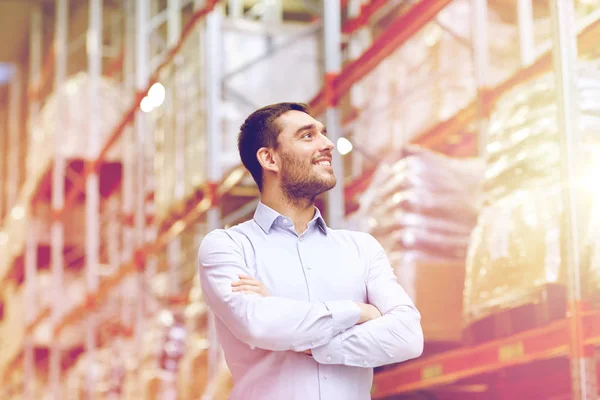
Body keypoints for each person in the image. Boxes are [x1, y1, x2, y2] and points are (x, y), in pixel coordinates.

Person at [197, 102, 423, 400]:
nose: (327, 144)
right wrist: (360, 311)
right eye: (307, 136)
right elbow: (258, 323)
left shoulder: (361, 248)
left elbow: (407, 337)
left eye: (323, 134)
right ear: (269, 159)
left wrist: (307, 342)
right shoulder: (227, 246)